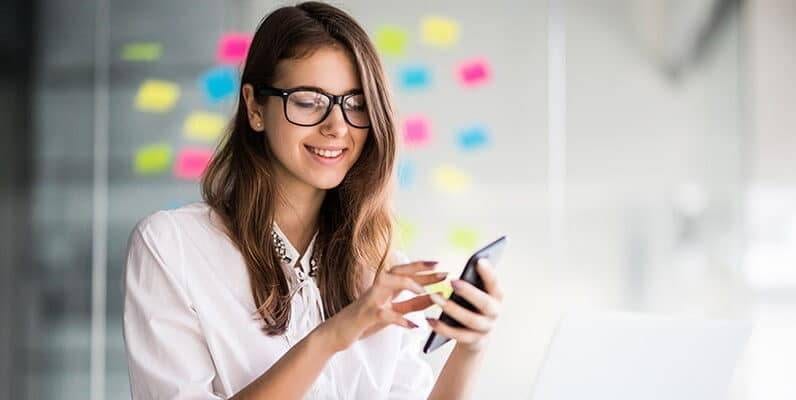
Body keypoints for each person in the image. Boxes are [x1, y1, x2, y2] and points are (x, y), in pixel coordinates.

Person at [122, 2, 503, 399]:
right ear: (254, 106)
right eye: (308, 101)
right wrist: (331, 337)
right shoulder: (173, 247)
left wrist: (470, 348)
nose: (337, 126)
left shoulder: (380, 265)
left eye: (355, 104)